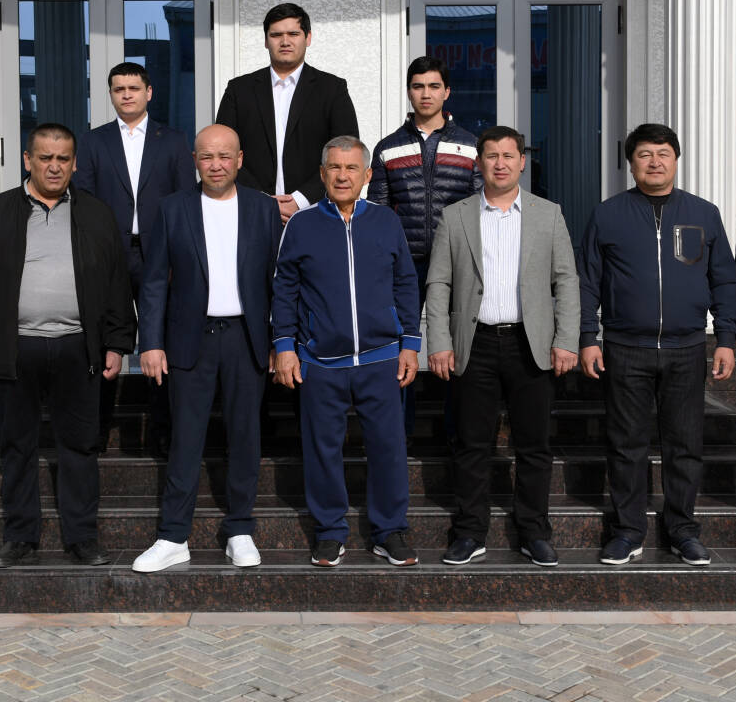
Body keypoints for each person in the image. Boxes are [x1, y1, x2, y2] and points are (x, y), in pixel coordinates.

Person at [0, 123, 135, 569]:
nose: (54, 166)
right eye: (45, 157)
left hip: (78, 349)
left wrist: (117, 343)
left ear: (75, 163)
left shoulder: (96, 215)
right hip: (15, 348)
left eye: (63, 158)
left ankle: (82, 538)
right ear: (27, 160)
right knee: (17, 446)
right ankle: (20, 537)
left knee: (81, 446)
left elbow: (116, 285)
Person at [578, 123, 736, 567]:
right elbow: (587, 282)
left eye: (663, 153)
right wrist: (588, 338)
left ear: (676, 160)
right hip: (625, 347)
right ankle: (628, 531)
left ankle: (683, 530)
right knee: (626, 444)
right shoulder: (607, 214)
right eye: (645, 154)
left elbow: (724, 280)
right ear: (631, 163)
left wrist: (726, 337)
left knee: (684, 444)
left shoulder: (703, 213)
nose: (654, 162)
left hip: (687, 348)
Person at [128, 124, 283, 572]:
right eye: (207, 156)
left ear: (239, 159)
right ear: (194, 160)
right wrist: (150, 343)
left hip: (246, 339)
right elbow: (154, 282)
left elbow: (278, 280)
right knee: (184, 440)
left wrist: (280, 340)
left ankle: (240, 530)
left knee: (245, 437)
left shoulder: (262, 208)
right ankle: (173, 536)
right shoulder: (172, 208)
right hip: (188, 339)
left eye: (224, 155)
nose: (216, 165)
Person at [425, 126, 580, 568]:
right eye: (491, 155)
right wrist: (439, 341)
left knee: (534, 445)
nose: (500, 163)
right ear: (479, 163)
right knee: (471, 444)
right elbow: (439, 282)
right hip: (473, 344)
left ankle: (534, 532)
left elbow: (566, 280)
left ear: (522, 162)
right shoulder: (455, 216)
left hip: (530, 344)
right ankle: (469, 532)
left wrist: (566, 340)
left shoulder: (548, 214)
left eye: (508, 155)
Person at [272, 135, 421, 568]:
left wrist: (411, 344)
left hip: (381, 357)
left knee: (388, 448)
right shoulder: (301, 225)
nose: (342, 176)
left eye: (352, 168)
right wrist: (285, 346)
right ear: (322, 174)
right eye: (334, 168)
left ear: (367, 175)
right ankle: (329, 532)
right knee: (322, 449)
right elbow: (285, 289)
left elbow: (405, 282)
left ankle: (389, 532)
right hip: (321, 360)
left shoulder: (386, 221)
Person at [74, 62, 194, 454]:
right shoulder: (93, 141)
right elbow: (84, 200)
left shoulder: (173, 141)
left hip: (160, 253)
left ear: (149, 92)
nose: (126, 94)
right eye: (119, 89)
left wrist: (180, 253)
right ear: (110, 94)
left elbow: (186, 201)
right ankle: (97, 428)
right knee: (103, 339)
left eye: (133, 88)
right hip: (108, 255)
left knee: (159, 338)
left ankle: (163, 429)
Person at [368, 56, 481, 439]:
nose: (426, 94)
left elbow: (478, 210)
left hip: (455, 265)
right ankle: (397, 439)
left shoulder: (471, 146)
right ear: (409, 91)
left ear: (447, 92)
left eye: (434, 86)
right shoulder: (388, 148)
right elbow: (378, 212)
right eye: (418, 86)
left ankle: (455, 438)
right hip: (403, 266)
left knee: (457, 350)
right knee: (399, 349)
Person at [216, 2, 359, 223]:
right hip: (251, 213)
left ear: (308, 38)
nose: (285, 41)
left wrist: (301, 199)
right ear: (266, 41)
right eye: (276, 35)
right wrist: (262, 201)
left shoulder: (332, 89)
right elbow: (223, 151)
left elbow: (346, 151)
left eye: (293, 34)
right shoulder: (239, 90)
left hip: (316, 212)